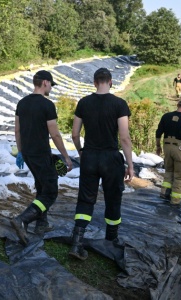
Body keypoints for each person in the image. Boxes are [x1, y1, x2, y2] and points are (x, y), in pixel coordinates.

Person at [68, 68, 133, 261]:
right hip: (110, 158)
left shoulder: (83, 103)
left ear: (95, 82)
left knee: (86, 199)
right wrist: (130, 164)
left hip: (89, 157)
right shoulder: (119, 104)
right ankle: (111, 240)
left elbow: (74, 134)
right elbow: (124, 137)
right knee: (113, 198)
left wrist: (81, 151)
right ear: (110, 82)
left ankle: (77, 242)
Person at [11, 70, 73, 245]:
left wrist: (21, 151)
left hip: (29, 153)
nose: (51, 89)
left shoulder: (22, 103)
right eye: (51, 85)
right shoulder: (47, 105)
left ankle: (42, 223)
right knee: (50, 192)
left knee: (41, 186)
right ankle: (22, 219)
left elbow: (17, 130)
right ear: (45, 83)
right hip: (40, 153)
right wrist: (66, 156)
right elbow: (55, 134)